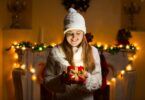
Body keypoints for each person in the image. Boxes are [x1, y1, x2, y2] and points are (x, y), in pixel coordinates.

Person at [44, 8, 102, 100]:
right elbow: (47, 81)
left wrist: (86, 78)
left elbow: (98, 81)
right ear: (65, 34)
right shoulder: (56, 51)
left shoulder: (92, 51)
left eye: (78, 33)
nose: (74, 37)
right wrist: (61, 79)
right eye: (70, 33)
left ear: (83, 33)